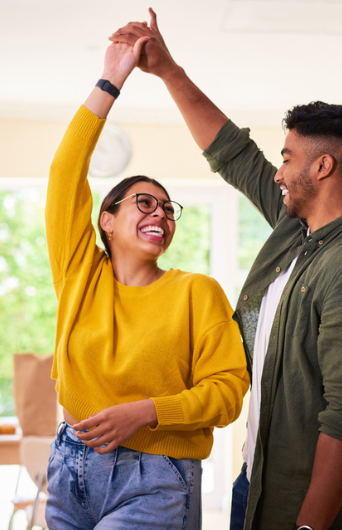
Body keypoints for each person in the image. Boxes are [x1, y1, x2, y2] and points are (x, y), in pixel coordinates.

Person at [111, 10, 342, 530]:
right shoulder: (299, 228)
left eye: (288, 158)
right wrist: (167, 69)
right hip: (258, 480)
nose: (277, 171)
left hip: (301, 506)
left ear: (322, 168)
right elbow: (233, 154)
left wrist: (309, 528)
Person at [45, 32, 249, 530]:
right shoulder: (80, 275)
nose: (161, 212)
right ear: (106, 221)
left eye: (167, 207)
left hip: (156, 478)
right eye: (144, 202)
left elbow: (227, 391)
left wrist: (146, 412)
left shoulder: (195, 292)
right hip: (69, 467)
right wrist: (112, 79)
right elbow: (64, 174)